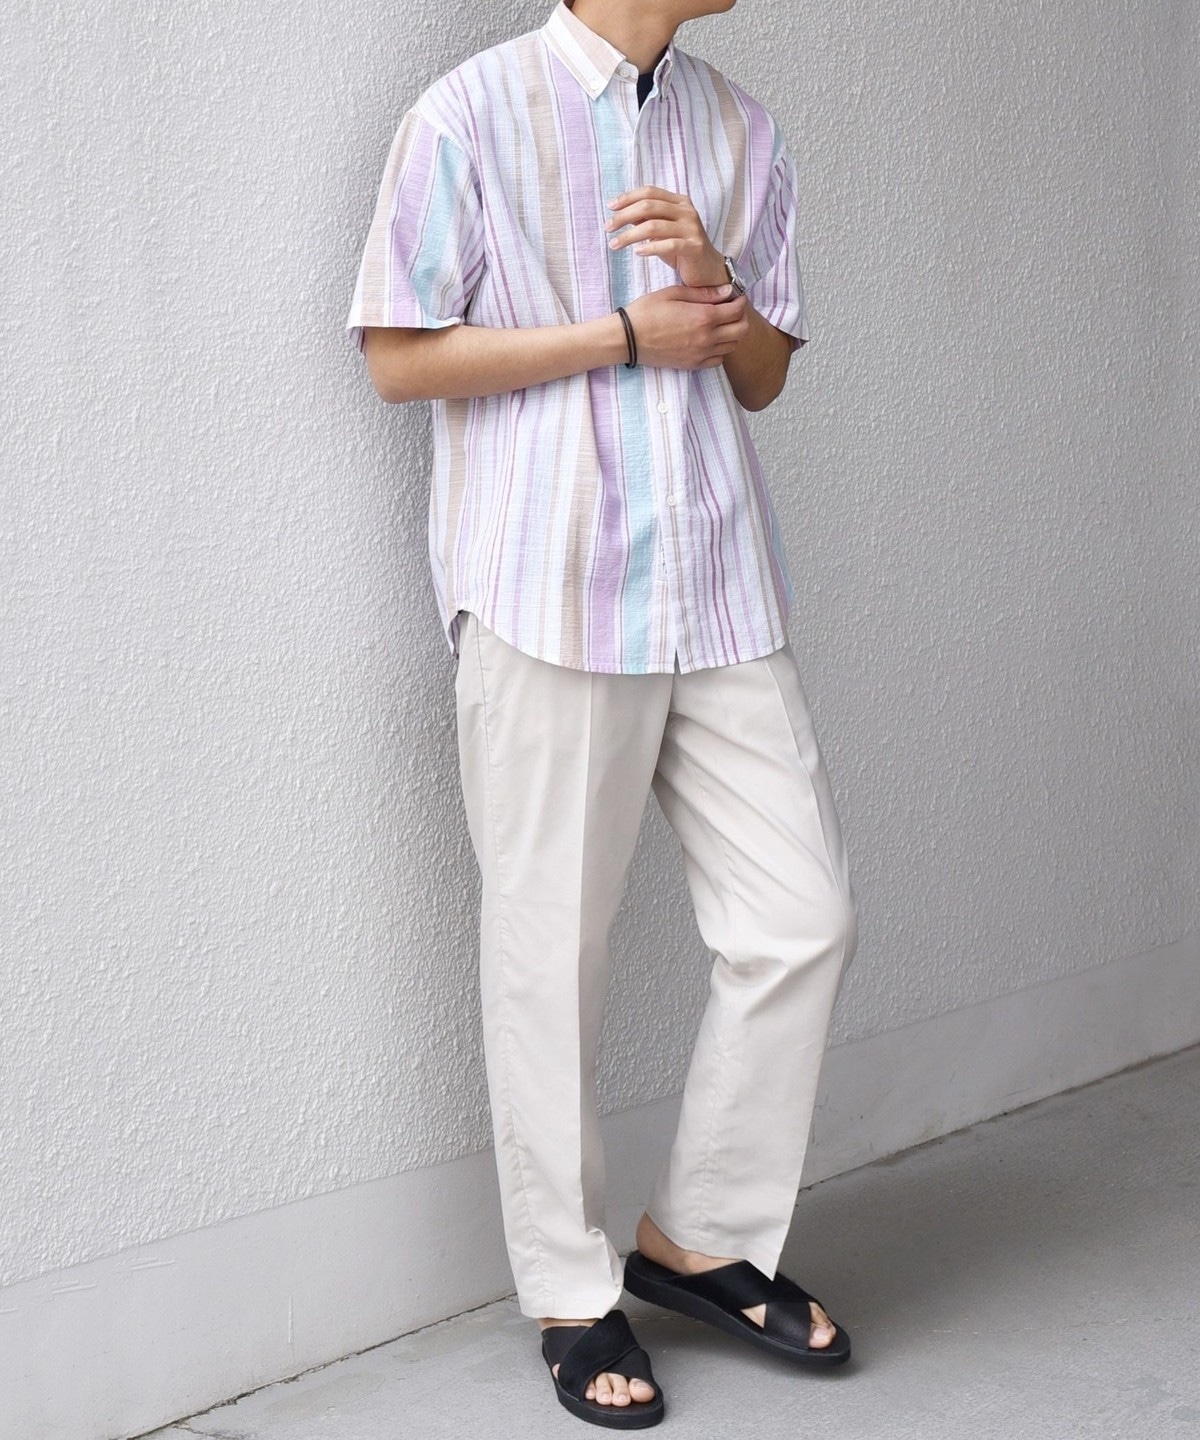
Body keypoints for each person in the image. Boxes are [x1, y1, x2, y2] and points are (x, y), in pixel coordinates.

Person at [346, 0, 859, 1426]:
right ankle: (573, 1294)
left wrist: (720, 292)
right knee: (548, 957)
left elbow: (761, 378)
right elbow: (397, 357)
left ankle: (701, 1239)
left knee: (802, 919)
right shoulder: (467, 115)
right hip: (549, 586)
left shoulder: (738, 126)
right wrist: (623, 334)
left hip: (717, 582)